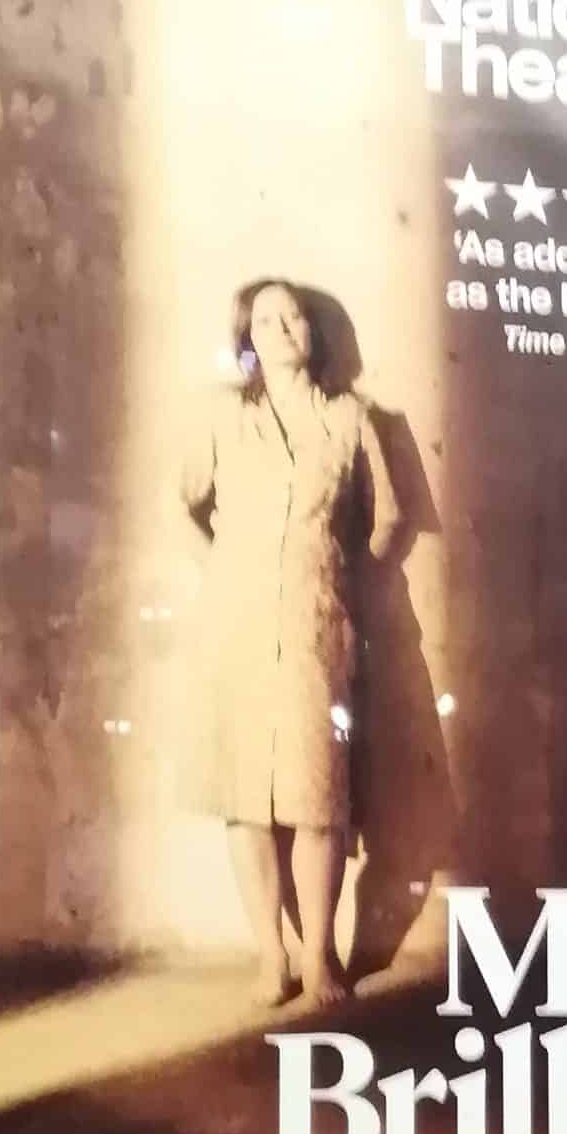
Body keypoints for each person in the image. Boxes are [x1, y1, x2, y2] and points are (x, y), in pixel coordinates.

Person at [182, 277, 403, 1009]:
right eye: (265, 319)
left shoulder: (349, 418)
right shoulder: (222, 415)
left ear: (313, 333)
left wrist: (333, 576)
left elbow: (388, 519)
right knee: (246, 798)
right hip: (237, 630)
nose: (280, 328)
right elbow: (186, 504)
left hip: (317, 628)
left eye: (294, 316)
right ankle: (270, 957)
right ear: (247, 338)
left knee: (318, 798)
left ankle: (319, 959)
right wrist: (225, 569)